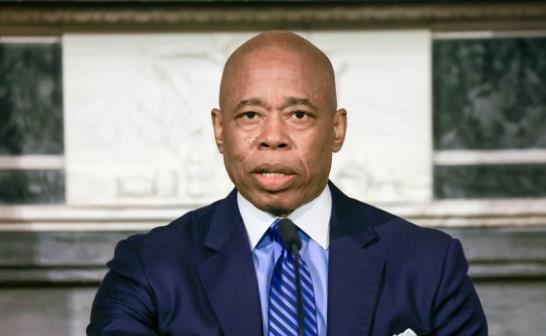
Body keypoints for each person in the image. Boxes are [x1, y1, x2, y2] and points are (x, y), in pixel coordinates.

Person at [87, 31, 487, 336]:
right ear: (219, 130)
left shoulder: (429, 265)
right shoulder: (149, 269)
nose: (272, 136)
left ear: (336, 129)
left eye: (298, 114)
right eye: (249, 116)